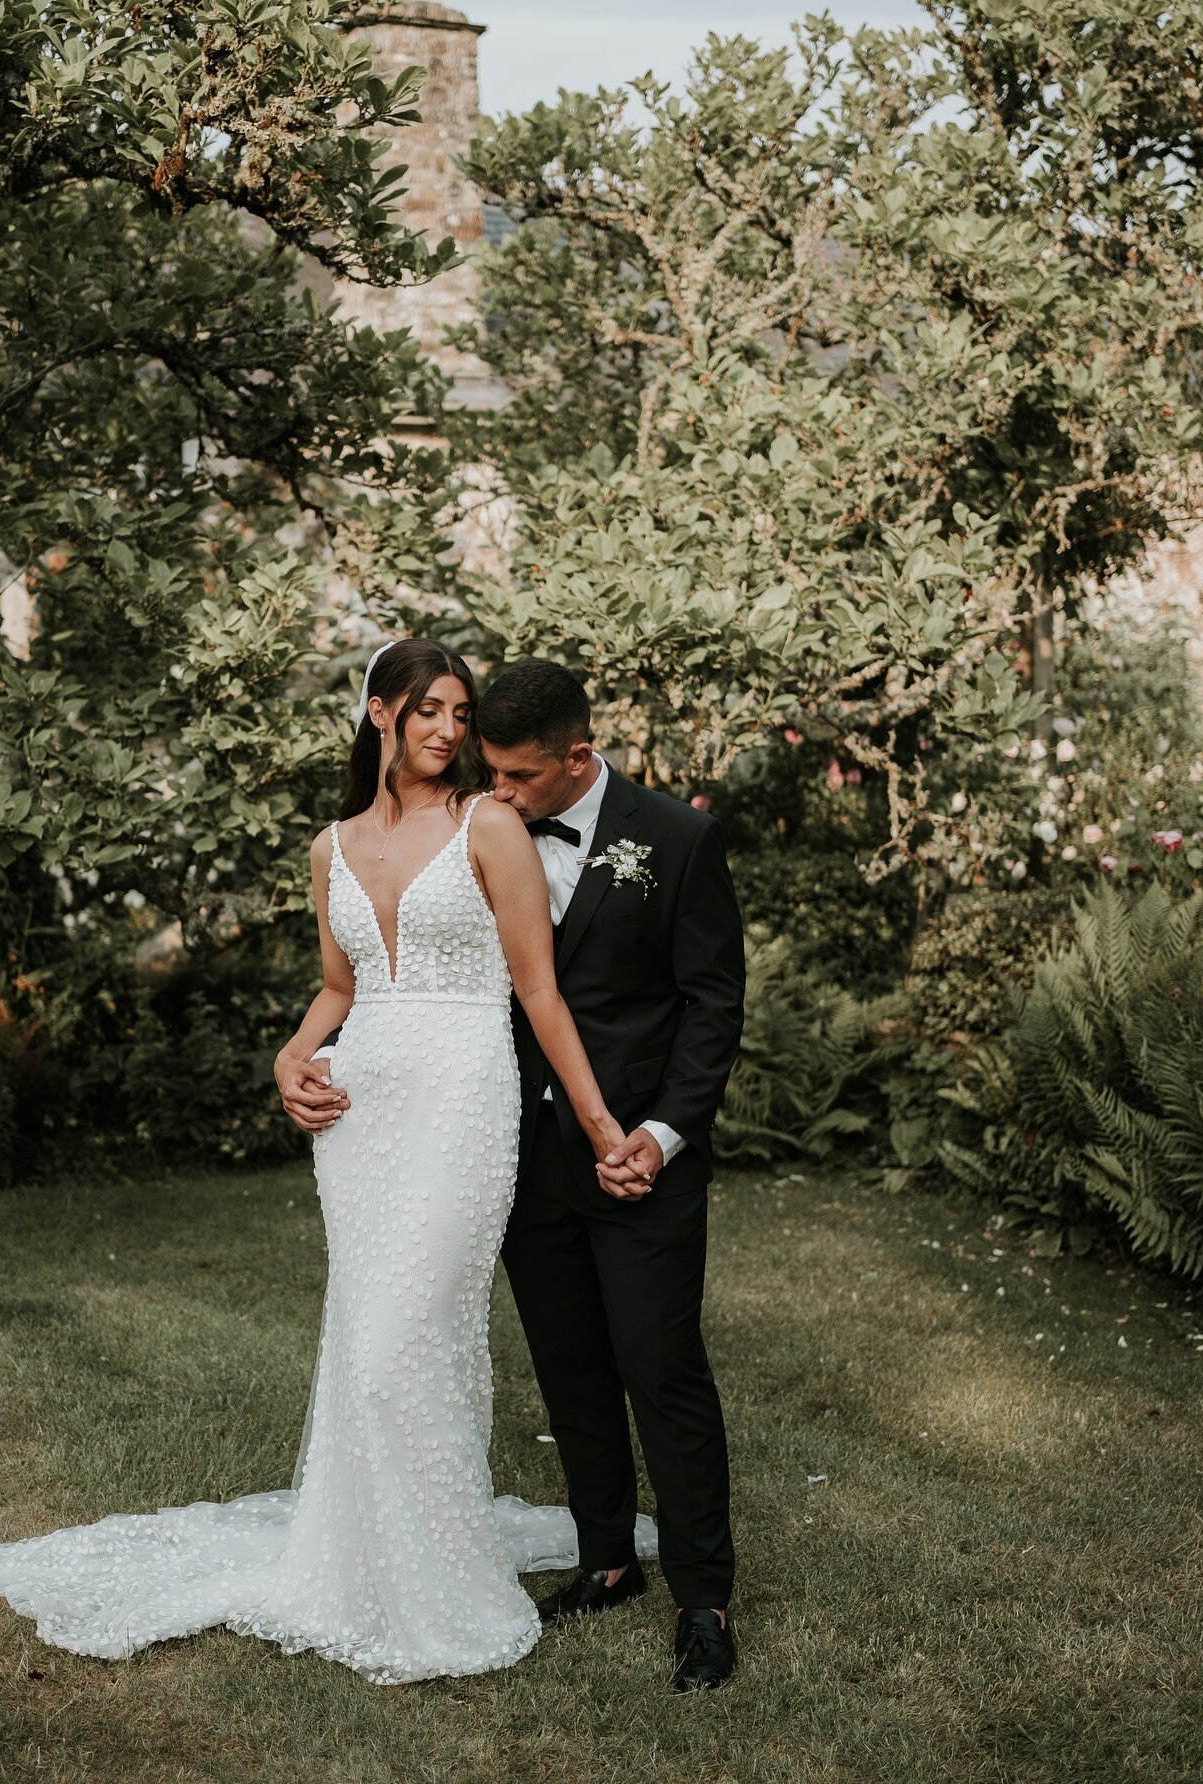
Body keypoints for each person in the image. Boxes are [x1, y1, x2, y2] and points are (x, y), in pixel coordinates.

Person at [0, 639, 646, 1686]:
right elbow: (341, 987)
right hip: (360, 1112)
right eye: (429, 711)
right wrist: (291, 1056)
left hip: (463, 1100)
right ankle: (364, 1565)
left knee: (405, 1334)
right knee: (371, 1336)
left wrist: (601, 1127)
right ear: (379, 713)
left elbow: (538, 991)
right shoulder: (329, 847)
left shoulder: (491, 824)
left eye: (461, 715)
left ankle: (436, 1578)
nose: (449, 732)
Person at [476, 659, 745, 1693]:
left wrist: (663, 1135)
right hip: (526, 1158)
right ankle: (606, 1560)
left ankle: (704, 1599)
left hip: (641, 1162)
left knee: (659, 1368)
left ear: (577, 756)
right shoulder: (482, 828)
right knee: (571, 1367)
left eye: (516, 777)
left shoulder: (676, 839)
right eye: (486, 772)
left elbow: (711, 1003)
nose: (496, 793)